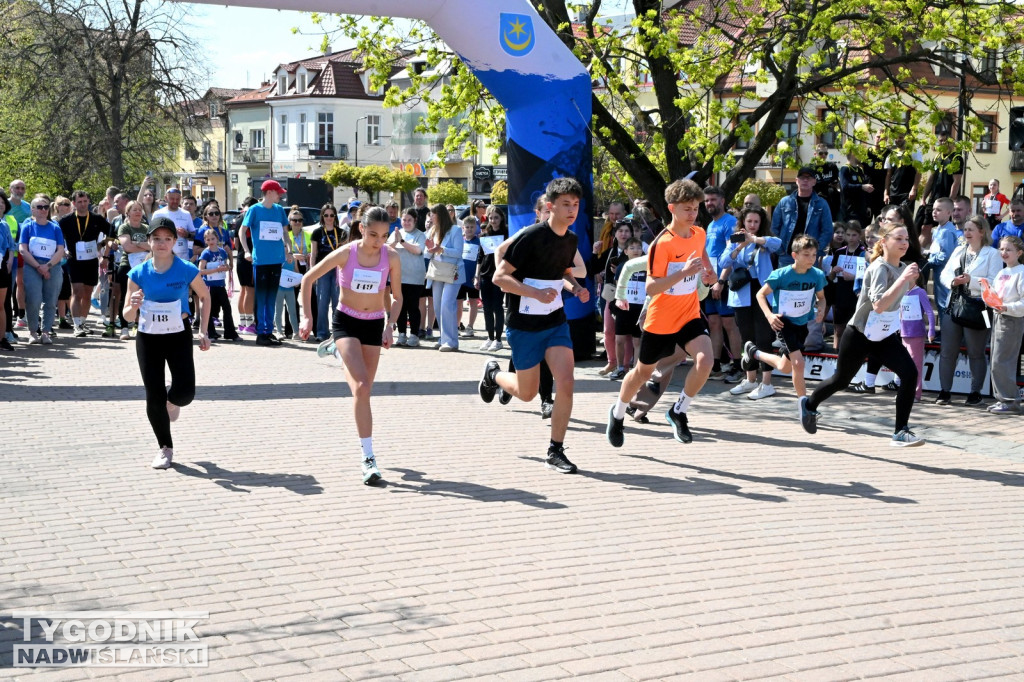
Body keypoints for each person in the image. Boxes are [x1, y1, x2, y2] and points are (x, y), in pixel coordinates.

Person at [479, 177, 590, 473]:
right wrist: (536, 294)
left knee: (566, 382)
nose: (572, 210)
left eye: (576, 204)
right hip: (524, 325)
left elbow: (562, 272)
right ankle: (494, 374)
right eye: (566, 204)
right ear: (550, 206)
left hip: (555, 322)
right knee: (526, 393)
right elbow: (499, 278)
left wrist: (575, 288)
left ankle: (555, 450)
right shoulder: (530, 236)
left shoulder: (570, 239)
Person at [606, 178, 717, 448]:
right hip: (661, 319)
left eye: (695, 209)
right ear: (671, 208)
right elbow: (652, 287)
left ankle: (678, 412)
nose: (692, 214)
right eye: (686, 209)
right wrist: (683, 273)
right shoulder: (661, 244)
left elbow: (704, 263)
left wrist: (708, 274)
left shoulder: (699, 233)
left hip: (689, 314)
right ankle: (618, 413)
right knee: (642, 374)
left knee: (705, 361)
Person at [298, 206, 403, 485]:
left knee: (365, 391)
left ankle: (338, 350)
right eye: (372, 234)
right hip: (346, 321)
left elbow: (397, 297)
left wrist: (391, 325)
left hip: (373, 324)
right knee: (361, 386)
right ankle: (368, 457)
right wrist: (307, 316)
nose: (377, 241)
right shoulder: (347, 253)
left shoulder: (391, 256)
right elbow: (308, 279)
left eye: (383, 235)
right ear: (361, 229)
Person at [798, 221, 925, 446]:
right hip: (859, 334)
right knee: (841, 380)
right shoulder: (879, 268)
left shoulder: (902, 267)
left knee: (909, 373)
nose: (905, 243)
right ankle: (809, 405)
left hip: (884, 335)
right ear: (884, 242)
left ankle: (900, 431)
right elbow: (879, 304)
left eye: (907, 239)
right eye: (899, 238)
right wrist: (904, 279)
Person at [123, 217, 211, 469]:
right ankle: (165, 448)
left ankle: (172, 402)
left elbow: (204, 296)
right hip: (148, 337)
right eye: (156, 239)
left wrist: (203, 331)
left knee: (185, 393)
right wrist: (134, 305)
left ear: (175, 241)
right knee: (153, 393)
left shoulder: (185, 268)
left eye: (167, 239)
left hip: (178, 335)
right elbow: (126, 316)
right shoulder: (138, 273)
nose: (162, 243)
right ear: (149, 241)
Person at [745, 235, 827, 404]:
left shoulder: (817, 275)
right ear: (795, 255)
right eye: (806, 254)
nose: (811, 258)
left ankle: (754, 353)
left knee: (784, 367)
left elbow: (822, 297)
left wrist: (821, 308)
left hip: (802, 323)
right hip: (784, 322)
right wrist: (769, 315)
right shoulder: (781, 274)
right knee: (798, 363)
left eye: (813, 254)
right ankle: (804, 404)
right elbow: (760, 294)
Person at [936, 215, 1001, 406]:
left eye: (971, 229)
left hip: (978, 308)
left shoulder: (992, 254)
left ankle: (975, 392)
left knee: (976, 352)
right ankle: (944, 391)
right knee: (947, 351)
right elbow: (944, 274)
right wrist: (953, 281)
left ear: (982, 231)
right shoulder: (958, 250)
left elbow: (995, 282)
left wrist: (971, 280)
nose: (967, 233)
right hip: (954, 306)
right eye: (965, 230)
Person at [719, 207, 781, 399]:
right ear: (743, 223)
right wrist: (739, 246)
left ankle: (767, 383)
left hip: (761, 292)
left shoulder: (764, 240)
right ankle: (750, 379)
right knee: (747, 338)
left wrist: (754, 239)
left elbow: (777, 244)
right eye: (749, 222)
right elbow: (723, 263)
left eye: (756, 222)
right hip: (741, 293)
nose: (752, 225)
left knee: (764, 337)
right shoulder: (734, 239)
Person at [238, 180, 293, 346]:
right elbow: (242, 231)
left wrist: (289, 249)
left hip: (277, 260)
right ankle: (261, 333)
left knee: (271, 297)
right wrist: (247, 251)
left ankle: (268, 331)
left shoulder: (279, 210)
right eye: (278, 193)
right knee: (261, 297)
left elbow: (285, 232)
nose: (280, 196)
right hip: (260, 260)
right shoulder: (254, 210)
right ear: (269, 192)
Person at [703, 186, 742, 382]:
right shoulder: (710, 225)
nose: (710, 203)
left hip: (725, 281)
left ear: (722, 201)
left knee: (729, 323)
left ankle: (737, 365)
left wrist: (721, 281)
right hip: (710, 282)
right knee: (714, 323)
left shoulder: (732, 223)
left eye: (713, 200)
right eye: (707, 200)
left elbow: (733, 255)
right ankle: (716, 364)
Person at [58, 190, 111, 337]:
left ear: (88, 201)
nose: (82, 204)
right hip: (74, 260)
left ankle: (82, 322)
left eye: (85, 201)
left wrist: (103, 249)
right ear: (74, 203)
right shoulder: (66, 220)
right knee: (77, 291)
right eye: (79, 202)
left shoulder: (97, 219)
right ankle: (76, 325)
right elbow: (56, 236)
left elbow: (112, 234)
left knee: (87, 293)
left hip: (91, 260)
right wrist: (63, 251)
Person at [984, 236, 1024, 414]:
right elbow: (995, 296)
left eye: (1008, 249)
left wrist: (1006, 307)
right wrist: (986, 289)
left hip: (1011, 320)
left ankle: (1011, 401)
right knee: (996, 361)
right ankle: (1003, 398)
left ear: (1019, 253)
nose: (1004, 253)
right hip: (998, 318)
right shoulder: (1002, 272)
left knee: (1003, 361)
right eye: (1001, 249)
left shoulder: (1021, 272)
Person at [18, 194, 66, 345]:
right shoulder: (28, 226)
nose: (43, 210)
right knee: (34, 299)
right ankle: (33, 331)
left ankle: (46, 331)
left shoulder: (55, 227)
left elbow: (60, 250)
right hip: (32, 266)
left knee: (51, 300)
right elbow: (23, 249)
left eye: (46, 207)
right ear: (32, 210)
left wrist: (48, 266)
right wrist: (38, 267)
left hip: (52, 266)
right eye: (39, 207)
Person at [770, 166, 832, 266]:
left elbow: (827, 230)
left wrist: (816, 250)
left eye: (809, 178)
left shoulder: (822, 204)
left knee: (808, 282)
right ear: (796, 180)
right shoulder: (784, 202)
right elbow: (774, 228)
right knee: (785, 282)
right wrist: (779, 249)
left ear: (814, 182)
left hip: (809, 257)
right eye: (802, 177)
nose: (805, 180)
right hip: (786, 255)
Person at [425, 203, 464, 352]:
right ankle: (443, 337)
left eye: (433, 214)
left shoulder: (455, 230)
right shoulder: (432, 231)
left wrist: (441, 249)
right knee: (437, 305)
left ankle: (451, 341)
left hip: (452, 272)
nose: (431, 217)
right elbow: (426, 254)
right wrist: (430, 249)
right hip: (437, 272)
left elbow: (458, 252)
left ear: (439, 215)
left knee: (447, 304)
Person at [597, 220, 634, 375]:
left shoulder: (636, 250)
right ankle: (612, 362)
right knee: (608, 330)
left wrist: (619, 271)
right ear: (615, 234)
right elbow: (593, 267)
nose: (623, 234)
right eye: (620, 231)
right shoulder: (609, 253)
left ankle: (625, 364)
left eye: (626, 231)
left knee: (626, 333)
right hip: (610, 295)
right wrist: (595, 253)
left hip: (629, 296)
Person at [388, 207, 426, 346]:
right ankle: (402, 334)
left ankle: (414, 334)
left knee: (413, 306)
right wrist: (396, 240)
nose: (406, 222)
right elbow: (388, 248)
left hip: (415, 278)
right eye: (404, 219)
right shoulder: (396, 232)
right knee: (400, 306)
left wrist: (402, 241)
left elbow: (417, 250)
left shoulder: (420, 235)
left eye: (409, 220)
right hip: (398, 276)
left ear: (415, 220)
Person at [896, 272, 935, 401]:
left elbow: (930, 312)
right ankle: (904, 392)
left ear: (915, 277)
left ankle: (916, 394)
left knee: (916, 365)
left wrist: (931, 331)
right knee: (904, 365)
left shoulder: (920, 292)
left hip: (916, 333)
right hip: (904, 333)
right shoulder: (902, 291)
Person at [115, 201, 151, 340]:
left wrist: (137, 243)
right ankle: (124, 327)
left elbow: (152, 246)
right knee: (126, 295)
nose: (137, 212)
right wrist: (144, 246)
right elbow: (127, 247)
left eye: (139, 210)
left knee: (143, 295)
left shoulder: (147, 228)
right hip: (127, 265)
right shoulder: (124, 227)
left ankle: (138, 325)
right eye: (134, 210)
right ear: (128, 212)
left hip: (144, 265)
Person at [610, 237, 645, 377]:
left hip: (641, 308)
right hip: (624, 308)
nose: (636, 250)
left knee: (638, 340)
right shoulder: (622, 267)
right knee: (619, 340)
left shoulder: (647, 265)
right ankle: (620, 368)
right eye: (632, 248)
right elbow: (618, 286)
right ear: (625, 251)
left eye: (638, 247)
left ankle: (636, 371)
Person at [476, 204, 508, 351]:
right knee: (487, 308)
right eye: (491, 218)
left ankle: (498, 339)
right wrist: (477, 276)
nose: (493, 220)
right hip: (485, 275)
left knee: (497, 307)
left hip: (499, 275)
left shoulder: (506, 234)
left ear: (501, 218)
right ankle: (489, 337)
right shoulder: (484, 235)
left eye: (496, 217)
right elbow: (480, 257)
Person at [309, 203, 343, 342]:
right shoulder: (317, 232)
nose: (329, 218)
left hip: (337, 269)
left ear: (335, 216)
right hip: (322, 269)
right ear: (322, 216)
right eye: (326, 215)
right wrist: (312, 274)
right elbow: (313, 254)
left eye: (332, 215)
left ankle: (337, 332)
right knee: (322, 302)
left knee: (337, 301)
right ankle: (322, 332)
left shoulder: (341, 232)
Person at [198, 229, 238, 342]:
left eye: (213, 239)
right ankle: (210, 333)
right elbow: (200, 270)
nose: (211, 241)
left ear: (217, 239)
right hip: (209, 286)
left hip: (220, 285)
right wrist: (216, 269)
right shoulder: (206, 253)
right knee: (209, 309)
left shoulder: (222, 252)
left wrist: (226, 268)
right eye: (208, 239)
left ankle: (230, 332)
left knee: (227, 307)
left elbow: (225, 265)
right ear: (205, 241)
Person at [150, 188, 195, 262]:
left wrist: (187, 234)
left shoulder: (186, 214)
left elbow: (193, 234)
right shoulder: (158, 214)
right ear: (166, 198)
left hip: (182, 258)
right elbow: (151, 235)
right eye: (172, 198)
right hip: (163, 258)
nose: (175, 201)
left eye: (177, 199)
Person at [234, 197, 258, 334]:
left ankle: (243, 323)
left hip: (241, 257)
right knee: (250, 290)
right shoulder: (250, 216)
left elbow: (236, 242)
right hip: (249, 257)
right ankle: (249, 324)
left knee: (243, 290)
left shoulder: (238, 218)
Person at [457, 215, 481, 338]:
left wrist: (478, 276)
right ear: (463, 228)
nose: (470, 229)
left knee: (473, 302)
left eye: (472, 227)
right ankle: (456, 325)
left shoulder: (479, 242)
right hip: (460, 277)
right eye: (467, 227)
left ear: (476, 227)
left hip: (472, 278)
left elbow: (480, 260)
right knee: (458, 302)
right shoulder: (459, 240)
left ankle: (470, 326)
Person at [839, 150, 874, 226]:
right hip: (850, 210)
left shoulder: (860, 170)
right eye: (860, 154)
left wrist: (868, 206)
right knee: (852, 233)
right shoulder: (845, 169)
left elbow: (864, 190)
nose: (862, 157)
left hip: (862, 209)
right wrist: (861, 187)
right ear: (853, 154)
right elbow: (845, 187)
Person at [0, 193, 14, 351]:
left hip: (1, 268)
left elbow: (11, 246)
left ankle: (2, 338)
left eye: (1, 202)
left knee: (1, 305)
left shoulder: (4, 225)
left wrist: (10, 260)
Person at [812, 143, 841, 218]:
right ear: (815, 154)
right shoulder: (812, 168)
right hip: (818, 203)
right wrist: (827, 184)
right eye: (821, 153)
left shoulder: (832, 166)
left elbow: (837, 183)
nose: (823, 155)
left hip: (832, 204)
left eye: (826, 153)